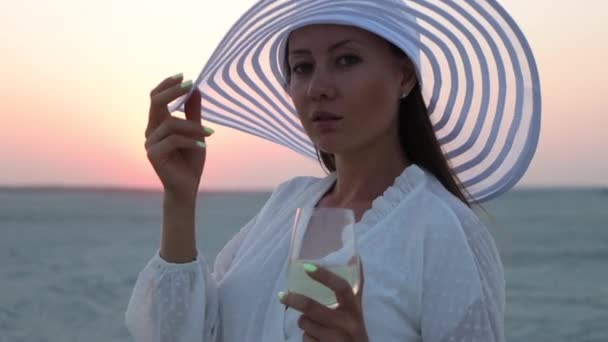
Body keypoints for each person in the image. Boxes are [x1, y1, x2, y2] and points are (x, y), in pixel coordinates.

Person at [125, 1, 541, 341]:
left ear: (405, 76)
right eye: (302, 67)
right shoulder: (285, 205)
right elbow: (189, 334)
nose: (317, 87)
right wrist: (179, 201)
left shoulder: (442, 229)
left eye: (346, 59)